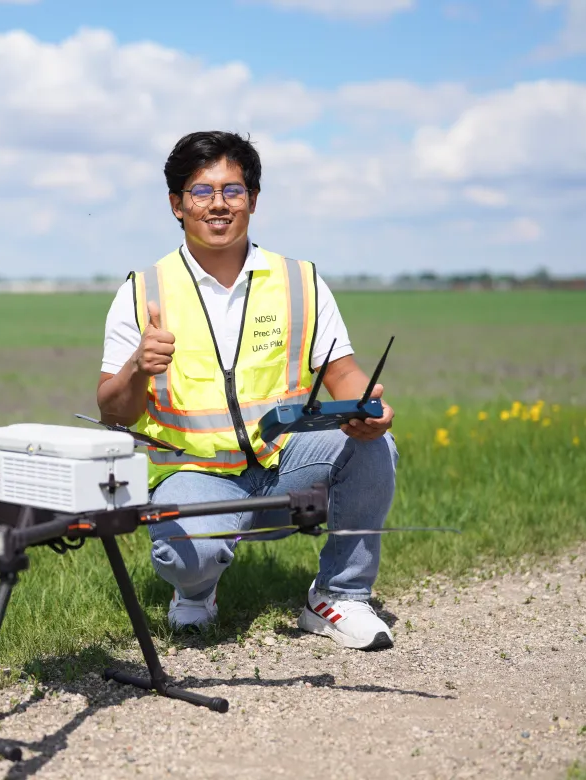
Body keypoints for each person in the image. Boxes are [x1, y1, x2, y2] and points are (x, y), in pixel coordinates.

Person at [95, 131, 398, 651]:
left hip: (286, 463)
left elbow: (342, 373)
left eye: (232, 190)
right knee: (187, 559)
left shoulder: (300, 280)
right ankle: (197, 590)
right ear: (176, 204)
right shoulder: (141, 291)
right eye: (200, 191)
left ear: (253, 201)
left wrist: (371, 407)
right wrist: (138, 367)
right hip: (195, 473)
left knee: (372, 446)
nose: (218, 204)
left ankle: (338, 596)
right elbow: (113, 410)